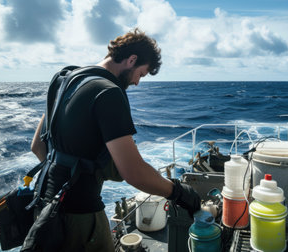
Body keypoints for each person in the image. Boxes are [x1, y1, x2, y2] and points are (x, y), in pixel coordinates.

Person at [30, 28, 201, 252]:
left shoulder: (65, 79)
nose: (138, 83)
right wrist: (180, 193)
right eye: (141, 74)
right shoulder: (108, 92)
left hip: (43, 207)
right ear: (132, 60)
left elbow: (37, 146)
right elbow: (134, 172)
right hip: (80, 218)